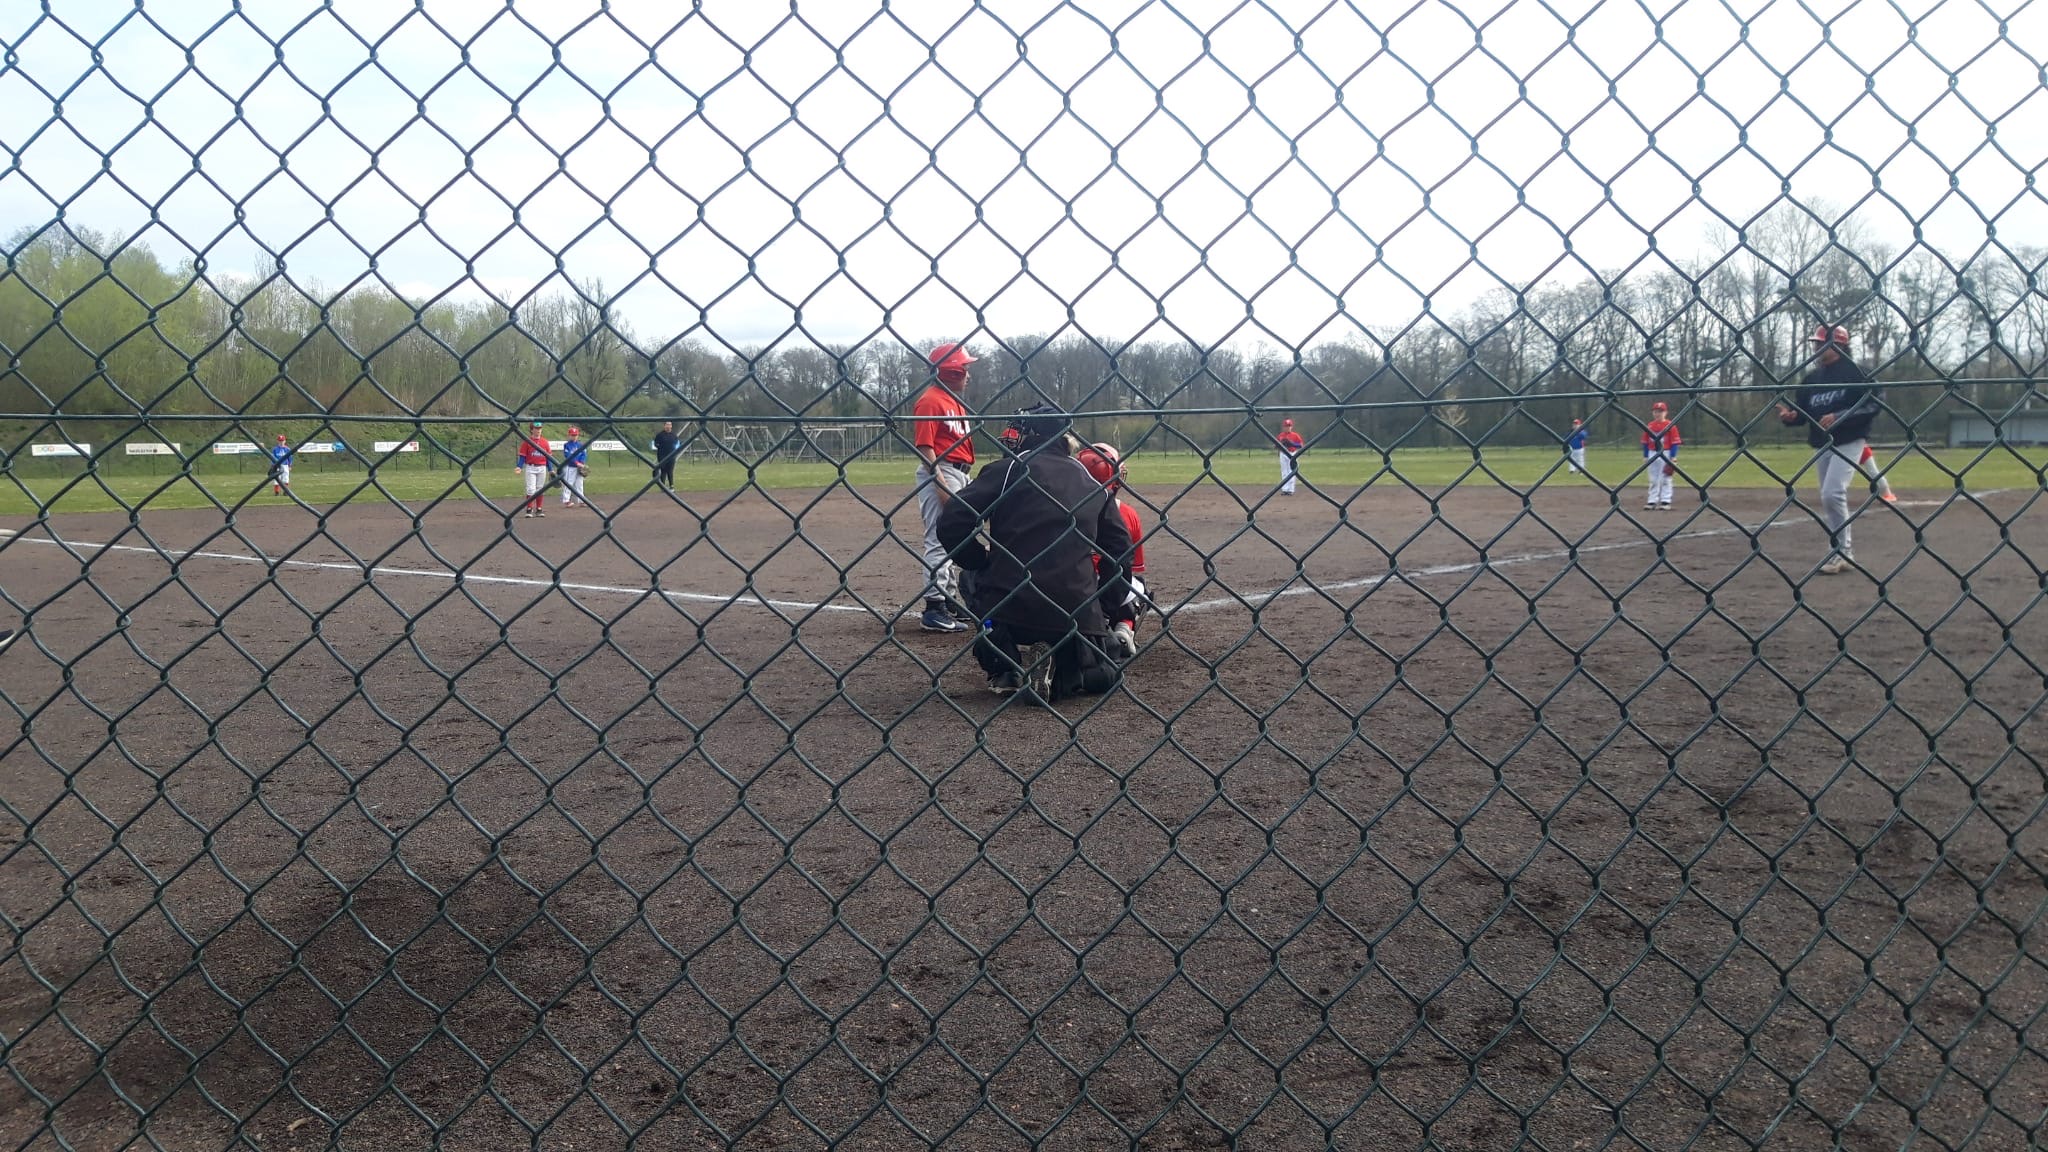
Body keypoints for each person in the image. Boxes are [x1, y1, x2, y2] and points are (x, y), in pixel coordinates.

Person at [938, 406, 1133, 704]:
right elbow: (1120, 550)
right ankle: (1071, 671)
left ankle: (1004, 664)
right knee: (1104, 671)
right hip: (1075, 611)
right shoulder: (1092, 483)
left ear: (1032, 434)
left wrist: (980, 560)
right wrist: (1101, 607)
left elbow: (952, 522)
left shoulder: (1007, 470)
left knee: (970, 578)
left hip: (1010, 604)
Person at [1778, 324, 1882, 575]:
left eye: (1821, 342)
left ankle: (1842, 552)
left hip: (1850, 439)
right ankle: (1842, 551)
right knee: (1829, 495)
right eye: (1815, 343)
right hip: (1821, 443)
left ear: (1839, 344)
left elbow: (1874, 404)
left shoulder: (1857, 373)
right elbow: (1803, 413)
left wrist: (1841, 415)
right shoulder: (1812, 379)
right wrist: (1791, 417)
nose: (1816, 347)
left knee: (1832, 493)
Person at [912, 342, 978, 633]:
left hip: (959, 473)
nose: (968, 375)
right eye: (964, 369)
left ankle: (948, 599)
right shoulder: (931, 401)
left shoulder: (953, 400)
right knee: (939, 537)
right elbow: (925, 447)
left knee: (955, 537)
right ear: (951, 372)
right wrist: (939, 482)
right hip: (941, 470)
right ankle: (934, 606)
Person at [1076, 441, 1148, 660]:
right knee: (1140, 586)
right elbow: (1134, 567)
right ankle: (1124, 627)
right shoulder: (1127, 513)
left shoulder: (1062, 507)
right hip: (1108, 588)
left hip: (1074, 582)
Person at [1641, 401, 1680, 509]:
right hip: (1652, 452)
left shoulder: (1670, 425)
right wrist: (1645, 455)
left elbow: (1675, 443)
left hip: (1666, 452)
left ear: (1665, 413)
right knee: (1653, 478)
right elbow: (1645, 442)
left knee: (1666, 478)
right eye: (1656, 411)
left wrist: (1673, 456)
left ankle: (1665, 501)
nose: (1658, 414)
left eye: (1660, 411)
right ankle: (1652, 500)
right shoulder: (1650, 426)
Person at [515, 420, 551, 518]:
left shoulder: (545, 442)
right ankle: (529, 508)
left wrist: (550, 469)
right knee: (531, 489)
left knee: (540, 488)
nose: (538, 430)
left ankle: (539, 509)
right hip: (531, 467)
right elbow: (522, 456)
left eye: (540, 428)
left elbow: (548, 457)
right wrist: (519, 466)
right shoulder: (527, 441)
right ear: (531, 430)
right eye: (536, 428)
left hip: (542, 467)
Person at [559, 426, 589, 508]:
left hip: (580, 467)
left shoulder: (580, 445)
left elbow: (584, 454)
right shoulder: (567, 445)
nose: (574, 436)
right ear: (569, 435)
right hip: (570, 467)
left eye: (575, 435)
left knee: (580, 484)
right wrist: (576, 463)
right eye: (572, 435)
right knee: (569, 483)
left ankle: (581, 501)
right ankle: (566, 500)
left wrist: (581, 463)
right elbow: (568, 456)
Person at [1276, 418, 1305, 494]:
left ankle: (1290, 490)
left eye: (1289, 426)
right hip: (1283, 454)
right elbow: (1276, 445)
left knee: (1291, 471)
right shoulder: (1281, 435)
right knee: (1284, 471)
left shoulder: (1295, 435)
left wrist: (1292, 444)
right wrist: (1281, 445)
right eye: (1286, 426)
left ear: (1291, 427)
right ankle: (1285, 489)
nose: (1288, 427)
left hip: (1292, 454)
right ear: (1283, 427)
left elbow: (1301, 445)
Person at [652, 420, 680, 490]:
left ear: (671, 426)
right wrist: (660, 447)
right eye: (667, 425)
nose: (668, 426)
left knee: (670, 471)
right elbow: (655, 443)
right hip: (662, 455)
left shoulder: (674, 435)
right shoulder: (660, 435)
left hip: (671, 455)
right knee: (663, 470)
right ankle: (663, 486)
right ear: (664, 426)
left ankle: (671, 486)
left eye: (669, 425)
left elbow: (676, 443)